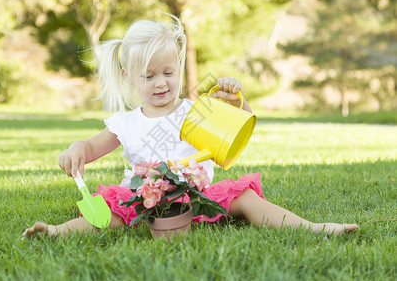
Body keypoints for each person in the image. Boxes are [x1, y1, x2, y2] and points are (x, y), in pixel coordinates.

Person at [22, 14, 358, 240]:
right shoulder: (125, 122)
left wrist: (234, 97)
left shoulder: (193, 110)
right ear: (128, 77)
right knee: (110, 211)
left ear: (178, 66)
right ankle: (57, 231)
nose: (160, 83)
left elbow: (240, 126)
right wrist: (76, 149)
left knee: (244, 197)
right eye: (149, 76)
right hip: (144, 199)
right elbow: (92, 147)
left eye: (168, 72)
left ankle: (313, 227)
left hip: (197, 196)